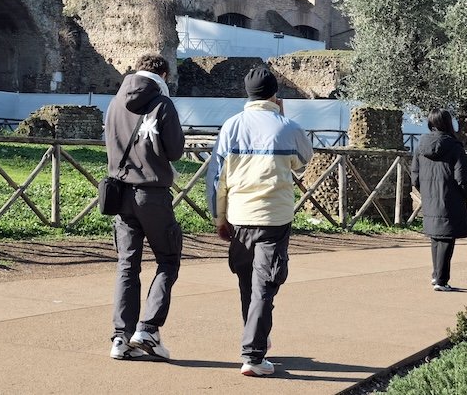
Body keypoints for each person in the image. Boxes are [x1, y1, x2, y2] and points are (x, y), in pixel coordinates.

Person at [206, 66, 312, 377]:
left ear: (247, 93)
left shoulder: (231, 126)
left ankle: (255, 340)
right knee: (265, 284)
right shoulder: (287, 126)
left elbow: (217, 178)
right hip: (273, 218)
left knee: (247, 283)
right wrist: (283, 115)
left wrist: (219, 217)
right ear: (274, 93)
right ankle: (253, 354)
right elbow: (302, 164)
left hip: (239, 217)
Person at [103, 52, 184, 361]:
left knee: (127, 264)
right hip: (153, 193)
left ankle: (120, 337)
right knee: (167, 258)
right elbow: (175, 151)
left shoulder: (114, 104)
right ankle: (148, 328)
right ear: (162, 75)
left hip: (120, 193)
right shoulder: (162, 104)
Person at [412, 109, 467, 292]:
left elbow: (415, 176)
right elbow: (462, 178)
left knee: (436, 237)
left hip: (430, 198)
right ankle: (441, 280)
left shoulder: (420, 146)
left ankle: (436, 275)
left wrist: (426, 192)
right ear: (449, 123)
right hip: (451, 199)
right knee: (447, 239)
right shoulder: (455, 147)